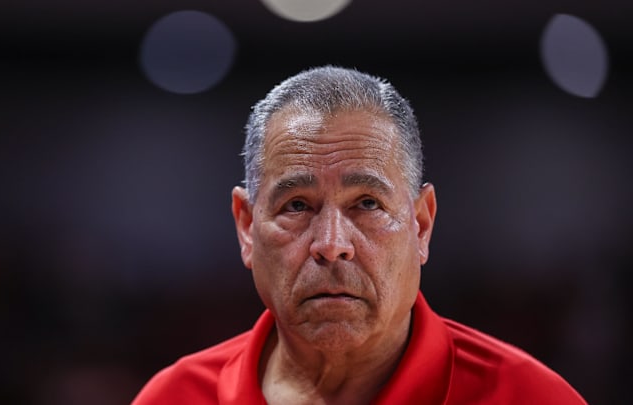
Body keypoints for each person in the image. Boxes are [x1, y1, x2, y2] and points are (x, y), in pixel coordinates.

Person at [132, 66, 586, 404]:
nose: (331, 244)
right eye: (296, 205)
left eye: (367, 203)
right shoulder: (173, 397)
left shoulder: (532, 397)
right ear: (247, 227)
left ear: (421, 225)